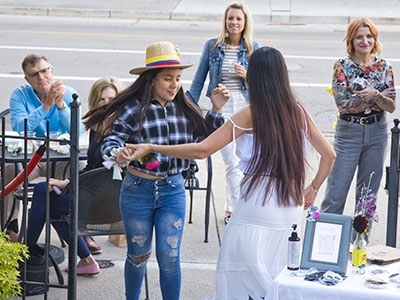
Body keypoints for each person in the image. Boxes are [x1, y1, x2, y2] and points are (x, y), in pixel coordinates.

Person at [124, 46, 336, 299]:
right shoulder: (298, 111)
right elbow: (329, 155)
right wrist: (313, 188)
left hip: (255, 203)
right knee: (280, 271)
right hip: (289, 206)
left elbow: (202, 150)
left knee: (240, 275)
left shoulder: (248, 115)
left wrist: (152, 147)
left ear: (254, 77)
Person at [83, 41, 229, 300]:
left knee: (170, 258)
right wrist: (118, 153)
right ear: (151, 80)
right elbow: (111, 140)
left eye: (178, 78)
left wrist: (216, 109)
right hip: (137, 191)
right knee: (137, 256)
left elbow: (206, 141)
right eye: (167, 79)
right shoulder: (132, 110)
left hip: (173, 190)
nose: (174, 84)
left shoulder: (185, 109)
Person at [26, 77, 124, 275]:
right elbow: (93, 167)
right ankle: (84, 259)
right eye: (101, 100)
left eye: (111, 99)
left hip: (107, 203)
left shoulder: (122, 130)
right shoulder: (98, 127)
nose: (106, 104)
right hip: (94, 195)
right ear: (94, 102)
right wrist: (68, 181)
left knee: (45, 197)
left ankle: (27, 252)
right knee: (46, 192)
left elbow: (105, 172)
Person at [186, 1, 260, 224]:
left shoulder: (253, 47)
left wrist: (246, 75)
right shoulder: (213, 45)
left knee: (247, 159)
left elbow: (263, 83)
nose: (234, 22)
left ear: (245, 22)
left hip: (246, 108)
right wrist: (187, 107)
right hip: (222, 107)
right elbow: (199, 79)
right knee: (232, 161)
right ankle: (234, 212)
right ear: (225, 21)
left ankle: (236, 208)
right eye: (230, 18)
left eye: (238, 18)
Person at [2, 54, 84, 242]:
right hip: (32, 159)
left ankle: (79, 228)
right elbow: (20, 128)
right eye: (34, 74)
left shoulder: (69, 92)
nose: (41, 77)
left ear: (51, 70)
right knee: (9, 169)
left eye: (44, 71)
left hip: (60, 158)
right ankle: (10, 225)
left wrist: (61, 106)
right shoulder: (19, 95)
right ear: (27, 79)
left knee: (82, 168)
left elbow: (77, 131)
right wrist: (46, 106)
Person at [321, 18, 396, 215]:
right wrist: (376, 98)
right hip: (349, 133)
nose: (365, 41)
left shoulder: (385, 67)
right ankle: (327, 243)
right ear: (351, 41)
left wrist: (375, 96)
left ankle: (359, 245)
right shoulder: (342, 66)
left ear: (375, 38)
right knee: (335, 193)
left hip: (377, 132)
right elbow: (343, 105)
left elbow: (390, 107)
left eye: (369, 36)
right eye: (359, 37)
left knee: (367, 198)